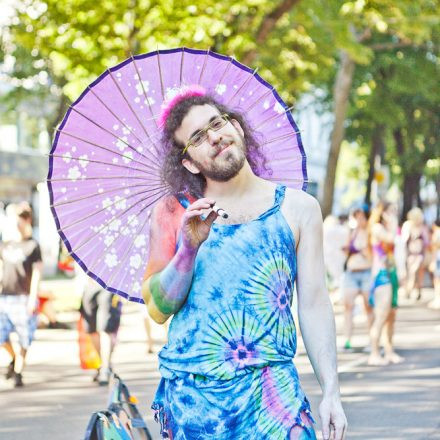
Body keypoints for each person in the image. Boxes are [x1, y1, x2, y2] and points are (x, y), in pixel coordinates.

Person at [141, 89, 347, 439]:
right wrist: (188, 249)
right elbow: (159, 309)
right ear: (189, 162)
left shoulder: (298, 208)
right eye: (198, 138)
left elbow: (313, 303)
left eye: (217, 123)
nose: (214, 137)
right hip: (195, 405)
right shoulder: (174, 212)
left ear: (235, 126)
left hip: (274, 398)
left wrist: (331, 390)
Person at [0, 202, 42, 387]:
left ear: (27, 221)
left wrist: (33, 297)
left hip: (24, 297)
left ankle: (18, 371)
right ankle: (14, 358)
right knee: (2, 337)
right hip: (5, 296)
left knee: (24, 336)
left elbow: (37, 273)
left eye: (19, 221)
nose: (16, 225)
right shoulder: (5, 245)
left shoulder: (33, 245)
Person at [367, 202, 403, 366]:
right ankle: (374, 353)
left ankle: (389, 351)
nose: (393, 213)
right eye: (391, 210)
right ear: (383, 212)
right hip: (381, 275)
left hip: (392, 272)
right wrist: (393, 223)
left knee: (391, 315)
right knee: (381, 315)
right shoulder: (377, 228)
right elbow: (390, 239)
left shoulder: (388, 228)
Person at [80, 277, 122, 385]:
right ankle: (104, 365)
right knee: (92, 330)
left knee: (105, 329)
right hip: (89, 286)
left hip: (108, 285)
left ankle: (105, 368)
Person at [341, 208, 373, 351]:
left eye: (362, 218)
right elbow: (348, 250)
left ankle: (372, 340)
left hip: (366, 272)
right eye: (357, 218)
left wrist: (362, 250)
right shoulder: (352, 232)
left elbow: (372, 255)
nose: (359, 221)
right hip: (351, 273)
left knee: (368, 307)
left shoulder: (372, 233)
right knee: (348, 306)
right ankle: (347, 339)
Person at [401, 207, 428, 301]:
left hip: (420, 254)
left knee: (418, 272)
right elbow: (403, 240)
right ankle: (410, 289)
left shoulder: (422, 227)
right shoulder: (408, 226)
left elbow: (426, 242)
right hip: (411, 254)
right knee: (412, 272)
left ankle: (417, 290)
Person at [428, 219, 440, 310]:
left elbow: (434, 249)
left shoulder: (436, 234)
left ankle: (437, 299)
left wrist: (432, 262)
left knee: (437, 280)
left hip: (438, 258)